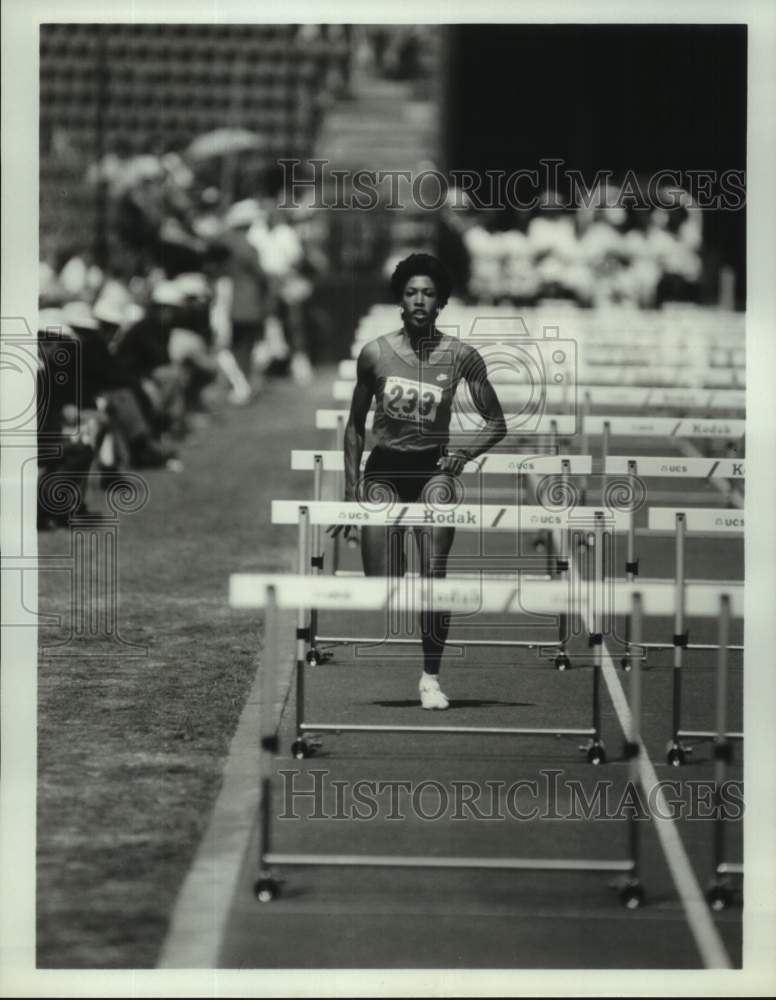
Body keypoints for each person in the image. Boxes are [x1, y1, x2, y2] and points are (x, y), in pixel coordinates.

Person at [344, 253, 506, 710]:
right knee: (380, 588)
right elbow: (355, 425)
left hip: (434, 469)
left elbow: (497, 422)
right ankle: (405, 575)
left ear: (441, 302)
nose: (419, 300)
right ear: (400, 298)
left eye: (428, 294)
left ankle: (431, 678)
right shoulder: (375, 353)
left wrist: (464, 453)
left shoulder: (461, 357)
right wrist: (347, 489)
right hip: (384, 471)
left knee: (434, 576)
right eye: (412, 292)